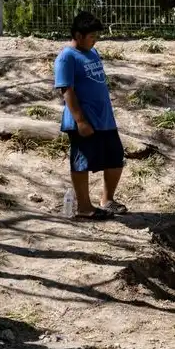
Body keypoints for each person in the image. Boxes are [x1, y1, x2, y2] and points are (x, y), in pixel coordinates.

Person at [54, 11, 126, 220]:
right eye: (91, 36)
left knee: (115, 159)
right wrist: (81, 121)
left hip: (104, 120)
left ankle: (107, 200)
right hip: (83, 121)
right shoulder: (66, 57)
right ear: (78, 35)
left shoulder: (92, 53)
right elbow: (67, 91)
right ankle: (84, 207)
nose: (95, 41)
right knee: (81, 162)